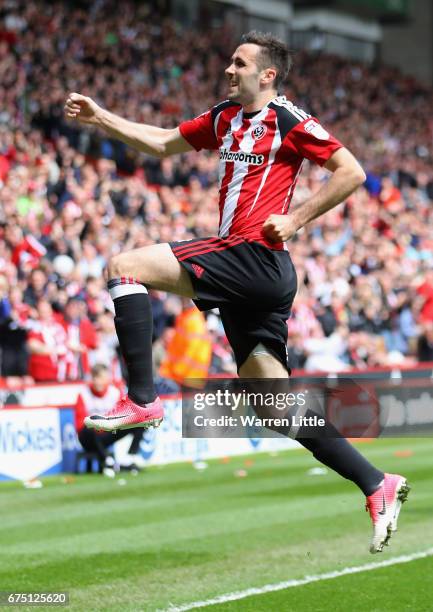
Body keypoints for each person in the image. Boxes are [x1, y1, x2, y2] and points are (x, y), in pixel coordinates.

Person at [64, 31, 409, 553]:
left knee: (124, 266)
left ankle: (141, 399)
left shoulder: (289, 119)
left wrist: (295, 218)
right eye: (230, 61)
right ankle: (375, 482)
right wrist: (101, 118)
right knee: (274, 409)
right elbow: (161, 141)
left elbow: (351, 171)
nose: (229, 69)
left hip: (255, 257)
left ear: (267, 74)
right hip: (253, 277)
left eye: (239, 62)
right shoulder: (225, 116)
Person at [76, 364, 147, 476]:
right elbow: (79, 424)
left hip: (108, 432)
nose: (97, 381)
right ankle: (107, 461)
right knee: (88, 428)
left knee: (141, 420)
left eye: (101, 378)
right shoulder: (83, 394)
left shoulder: (114, 393)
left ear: (107, 379)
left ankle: (131, 455)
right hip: (89, 436)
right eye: (95, 377)